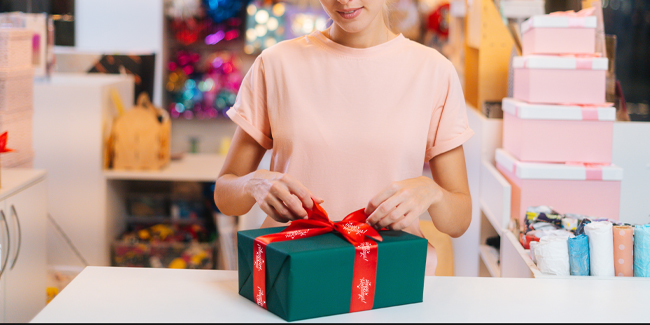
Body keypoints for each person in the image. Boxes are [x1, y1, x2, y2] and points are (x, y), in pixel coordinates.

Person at [214, 0, 473, 275]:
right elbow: (225, 195)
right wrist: (254, 183)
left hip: (389, 275)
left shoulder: (433, 72)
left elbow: (458, 221)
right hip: (293, 274)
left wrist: (431, 191)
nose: (345, 1)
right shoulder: (275, 64)